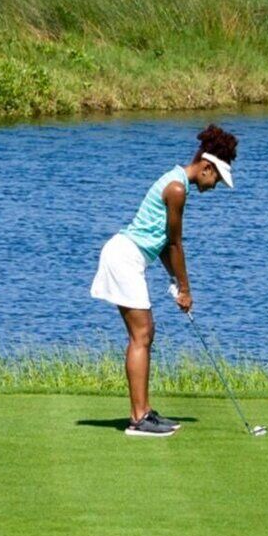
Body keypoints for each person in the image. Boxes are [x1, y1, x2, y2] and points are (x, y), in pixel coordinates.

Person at [91, 123, 237, 436]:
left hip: (129, 257)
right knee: (141, 334)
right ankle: (138, 418)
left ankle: (143, 412)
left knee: (145, 333)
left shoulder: (176, 181)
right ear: (206, 166)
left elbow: (162, 246)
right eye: (217, 179)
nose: (215, 187)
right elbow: (174, 243)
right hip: (123, 257)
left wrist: (174, 281)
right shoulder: (177, 189)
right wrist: (185, 288)